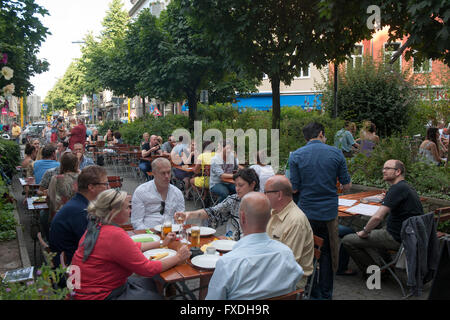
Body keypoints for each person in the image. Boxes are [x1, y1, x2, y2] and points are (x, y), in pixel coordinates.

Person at [70, 189, 191, 300]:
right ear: (114, 211)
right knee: (154, 290)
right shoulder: (114, 234)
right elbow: (147, 269)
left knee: (151, 283)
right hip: (100, 295)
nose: (131, 211)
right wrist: (178, 257)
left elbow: (130, 248)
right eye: (127, 207)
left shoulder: (96, 226)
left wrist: (161, 243)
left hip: (82, 290)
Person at [289, 121, 352, 300]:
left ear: (306, 137)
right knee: (328, 255)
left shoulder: (296, 155)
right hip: (329, 213)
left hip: (306, 213)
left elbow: (294, 188)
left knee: (306, 252)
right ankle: (325, 294)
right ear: (321, 134)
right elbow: (346, 185)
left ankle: (308, 290)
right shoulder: (336, 153)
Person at [205, 192, 303, 300]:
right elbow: (295, 281)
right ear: (270, 217)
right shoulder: (287, 254)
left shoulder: (228, 263)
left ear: (242, 218)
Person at [342, 160, 424, 275]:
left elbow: (377, 217)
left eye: (387, 168)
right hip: (408, 235)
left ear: (398, 171)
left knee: (347, 240)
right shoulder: (405, 187)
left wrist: (365, 232)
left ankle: (373, 273)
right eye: (383, 168)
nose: (383, 171)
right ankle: (386, 266)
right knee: (376, 228)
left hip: (396, 237)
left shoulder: (397, 189)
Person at [175, 168, 260, 240]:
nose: (237, 189)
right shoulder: (234, 199)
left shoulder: (261, 204)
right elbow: (213, 211)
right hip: (229, 242)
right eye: (236, 185)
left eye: (241, 185)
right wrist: (189, 214)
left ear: (252, 184)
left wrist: (230, 239)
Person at [49, 165, 109, 266]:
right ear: (91, 187)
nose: (108, 188)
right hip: (73, 270)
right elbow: (95, 247)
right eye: (105, 184)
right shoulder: (81, 212)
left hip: (70, 263)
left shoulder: (78, 204)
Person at [264, 175, 314, 288]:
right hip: (272, 269)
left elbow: (288, 264)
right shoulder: (274, 212)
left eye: (266, 192)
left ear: (279, 194)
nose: (264, 196)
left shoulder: (296, 221)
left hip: (289, 280)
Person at [131, 158, 185, 230]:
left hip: (172, 232)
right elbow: (137, 222)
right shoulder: (141, 191)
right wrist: (150, 235)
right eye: (163, 173)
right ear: (153, 173)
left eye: (169, 172)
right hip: (150, 234)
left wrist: (177, 231)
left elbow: (181, 218)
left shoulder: (177, 193)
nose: (167, 176)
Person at [47, 152, 79, 221]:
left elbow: (50, 198)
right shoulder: (82, 177)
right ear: (76, 164)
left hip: (60, 216)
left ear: (62, 164)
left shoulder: (56, 178)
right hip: (78, 215)